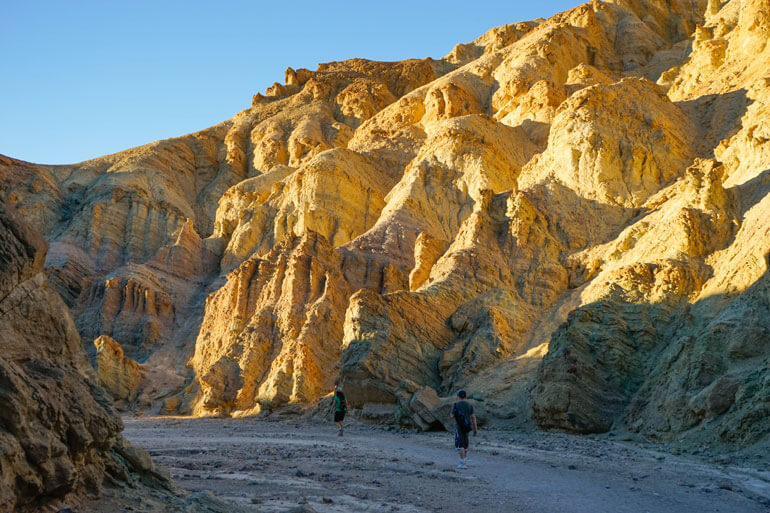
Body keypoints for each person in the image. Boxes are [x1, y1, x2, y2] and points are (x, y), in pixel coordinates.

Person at [449, 390, 477, 469]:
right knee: (465, 443)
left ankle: (462, 463)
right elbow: (473, 417)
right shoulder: (469, 405)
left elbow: (451, 416)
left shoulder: (456, 404)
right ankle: (464, 460)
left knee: (460, 444)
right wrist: (475, 429)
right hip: (467, 427)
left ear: (458, 396)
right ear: (465, 396)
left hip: (459, 426)